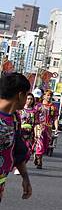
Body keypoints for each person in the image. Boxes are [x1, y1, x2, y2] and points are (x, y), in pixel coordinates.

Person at [0, 73, 33, 203]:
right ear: (20, 95)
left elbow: (18, 150)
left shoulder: (15, 119)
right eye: (26, 95)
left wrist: (25, 178)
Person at [34, 90, 58, 169]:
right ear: (44, 96)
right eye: (47, 95)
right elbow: (34, 116)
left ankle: (37, 155)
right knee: (40, 143)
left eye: (50, 95)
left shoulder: (53, 107)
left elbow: (55, 118)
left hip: (48, 128)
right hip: (39, 127)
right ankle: (39, 161)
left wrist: (56, 127)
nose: (49, 97)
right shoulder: (38, 106)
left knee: (46, 145)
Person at [17, 93, 39, 163]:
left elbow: (36, 124)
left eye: (31, 99)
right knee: (19, 150)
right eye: (28, 99)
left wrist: (36, 135)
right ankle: (18, 166)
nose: (29, 101)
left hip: (30, 134)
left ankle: (22, 163)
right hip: (20, 133)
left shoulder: (35, 112)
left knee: (28, 151)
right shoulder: (19, 110)